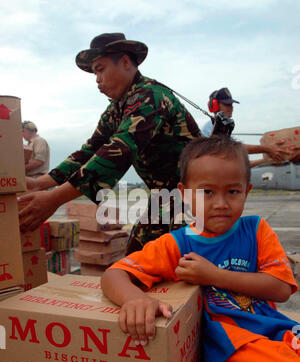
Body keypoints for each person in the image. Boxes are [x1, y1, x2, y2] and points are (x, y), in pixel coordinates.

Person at [101, 135, 300, 362]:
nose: (220, 203)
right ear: (184, 193)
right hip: (231, 348)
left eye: (233, 192)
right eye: (207, 192)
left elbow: (281, 288)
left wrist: (214, 275)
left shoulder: (256, 230)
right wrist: (134, 299)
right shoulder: (177, 245)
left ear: (247, 191)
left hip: (277, 329)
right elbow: (114, 274)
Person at [18, 33, 200, 253]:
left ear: (125, 63)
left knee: (177, 266)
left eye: (100, 69)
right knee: (136, 260)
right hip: (164, 198)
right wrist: (42, 183)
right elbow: (90, 150)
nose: (97, 79)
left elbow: (118, 151)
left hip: (193, 198)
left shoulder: (150, 97)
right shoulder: (116, 109)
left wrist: (54, 198)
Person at [201, 87, 286, 166]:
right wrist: (267, 149)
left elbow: (240, 165)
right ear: (215, 106)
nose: (231, 107)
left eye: (231, 104)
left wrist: (266, 159)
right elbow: (233, 147)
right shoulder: (212, 127)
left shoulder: (225, 131)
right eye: (227, 104)